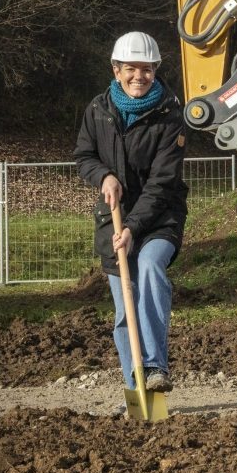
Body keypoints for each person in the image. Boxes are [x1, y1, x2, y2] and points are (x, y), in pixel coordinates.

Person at [74, 31, 189, 395]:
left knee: (151, 268)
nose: (139, 76)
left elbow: (163, 182)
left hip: (159, 217)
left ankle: (155, 367)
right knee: (125, 304)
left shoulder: (170, 116)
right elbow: (84, 156)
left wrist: (135, 228)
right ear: (116, 69)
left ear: (156, 70)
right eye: (131, 69)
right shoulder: (98, 110)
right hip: (114, 217)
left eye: (147, 69)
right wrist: (103, 175)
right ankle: (136, 385)